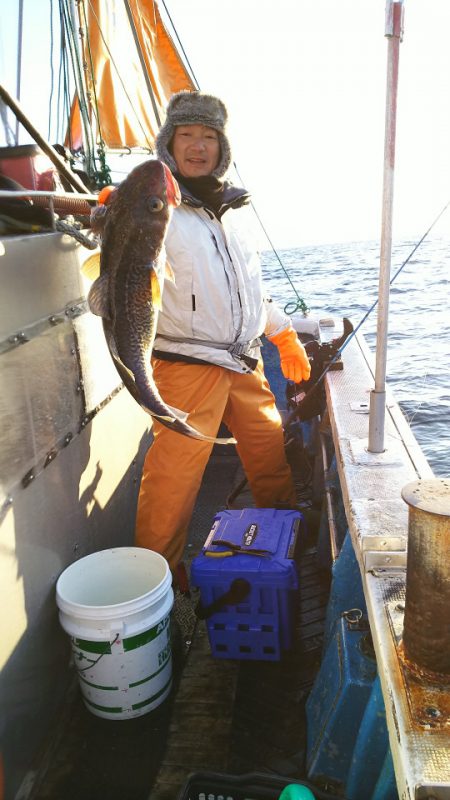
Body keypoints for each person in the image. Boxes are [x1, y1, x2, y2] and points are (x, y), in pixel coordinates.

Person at [135, 90, 310, 573]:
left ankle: (284, 536)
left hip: (244, 360)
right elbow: (116, 246)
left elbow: (250, 290)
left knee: (270, 452)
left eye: (207, 136)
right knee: (173, 480)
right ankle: (159, 579)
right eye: (186, 135)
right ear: (168, 143)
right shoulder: (155, 208)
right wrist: (115, 215)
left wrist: (283, 333)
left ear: (221, 147)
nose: (197, 146)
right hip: (186, 366)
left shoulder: (234, 213)